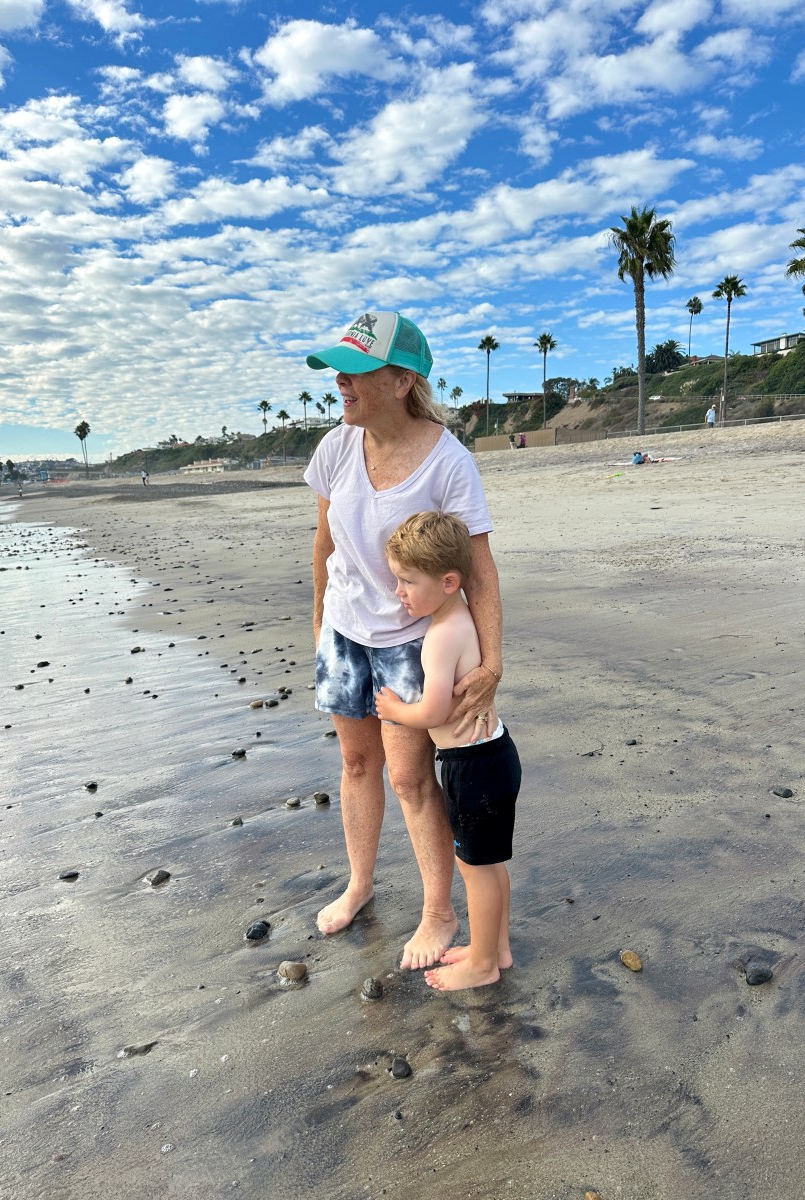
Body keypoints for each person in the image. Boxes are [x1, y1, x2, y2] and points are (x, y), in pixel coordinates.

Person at [303, 310, 503, 970]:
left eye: (356, 371)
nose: (341, 382)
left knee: (410, 778)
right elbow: (325, 543)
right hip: (344, 629)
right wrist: (318, 622)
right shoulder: (336, 447)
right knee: (357, 764)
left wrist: (493, 662)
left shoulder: (449, 462)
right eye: (339, 371)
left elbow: (478, 568)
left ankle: (439, 911)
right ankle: (359, 884)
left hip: (410, 639)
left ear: (401, 381)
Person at [376, 512, 520, 992]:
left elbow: (434, 711)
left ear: (448, 582)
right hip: (493, 755)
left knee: (475, 868)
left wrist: (396, 710)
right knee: (489, 864)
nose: (398, 592)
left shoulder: (440, 637)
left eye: (407, 581)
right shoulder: (461, 618)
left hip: (471, 768)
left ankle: (483, 964)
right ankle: (494, 948)